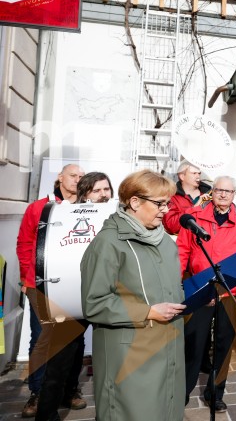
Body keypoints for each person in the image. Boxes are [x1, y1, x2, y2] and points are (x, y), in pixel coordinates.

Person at [80, 170, 186, 421]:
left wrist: (196, 295)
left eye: (167, 203)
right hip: (130, 360)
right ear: (134, 202)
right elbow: (95, 303)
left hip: (168, 352)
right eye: (159, 203)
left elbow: (170, 288)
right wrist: (148, 312)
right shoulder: (108, 243)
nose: (165, 210)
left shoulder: (166, 243)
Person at [177, 176, 236, 413]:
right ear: (212, 192)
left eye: (228, 191)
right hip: (200, 288)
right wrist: (176, 284)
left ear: (235, 193)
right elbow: (182, 252)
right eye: (219, 190)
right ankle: (181, 392)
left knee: (224, 346)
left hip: (230, 290)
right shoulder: (195, 216)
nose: (223, 195)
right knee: (193, 343)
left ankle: (216, 392)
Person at [35, 172, 115, 421]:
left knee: (112, 361)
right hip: (71, 295)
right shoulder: (67, 215)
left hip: (107, 298)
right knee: (59, 361)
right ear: (84, 194)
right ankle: (46, 415)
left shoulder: (118, 216)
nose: (103, 195)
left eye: (106, 189)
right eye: (96, 190)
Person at [16, 163, 83, 418]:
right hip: (41, 284)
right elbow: (24, 243)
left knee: (74, 339)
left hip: (74, 285)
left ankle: (70, 389)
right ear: (60, 178)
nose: (78, 180)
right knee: (41, 340)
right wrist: (26, 278)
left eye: (81, 177)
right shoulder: (38, 207)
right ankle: (37, 393)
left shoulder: (84, 208)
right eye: (73, 175)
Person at [162, 160, 211, 235]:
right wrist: (194, 208)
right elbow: (171, 226)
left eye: (199, 173)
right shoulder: (171, 197)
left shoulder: (210, 194)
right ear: (182, 176)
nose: (198, 176)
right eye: (194, 173)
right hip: (183, 244)